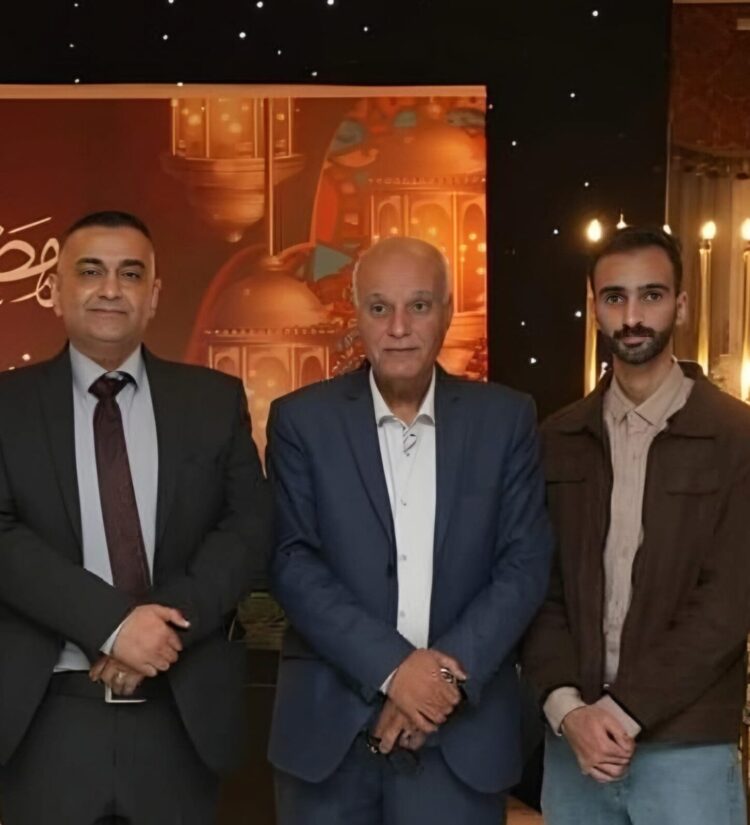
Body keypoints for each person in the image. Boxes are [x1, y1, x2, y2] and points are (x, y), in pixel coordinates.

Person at [266, 236, 553, 824]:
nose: (398, 328)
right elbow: (291, 562)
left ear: (446, 312)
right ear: (357, 315)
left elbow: (525, 564)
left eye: (418, 306)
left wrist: (438, 680)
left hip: (461, 737)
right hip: (330, 736)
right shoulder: (300, 420)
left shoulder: (506, 419)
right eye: (380, 308)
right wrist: (396, 671)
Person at [0, 211, 270, 825]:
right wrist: (114, 627)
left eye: (130, 274)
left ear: (154, 296)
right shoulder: (6, 406)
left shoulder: (212, 400)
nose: (110, 289)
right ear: (55, 289)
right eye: (90, 271)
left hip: (180, 712)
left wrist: (158, 631)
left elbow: (247, 529)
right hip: (44, 716)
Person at [522, 225, 750, 825]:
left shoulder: (736, 438)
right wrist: (569, 710)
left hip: (688, 752)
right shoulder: (556, 439)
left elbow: (729, 603)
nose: (632, 317)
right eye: (614, 297)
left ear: (681, 304)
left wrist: (621, 713)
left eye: (651, 295)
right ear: (595, 307)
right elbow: (535, 588)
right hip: (574, 749)